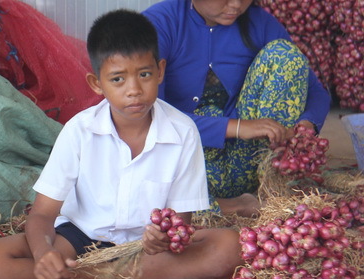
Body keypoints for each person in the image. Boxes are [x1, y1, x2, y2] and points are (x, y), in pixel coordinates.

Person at [0, 9, 242, 279]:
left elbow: (179, 226)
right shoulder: (80, 131)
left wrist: (160, 240)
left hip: (144, 255)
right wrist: (45, 254)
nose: (134, 90)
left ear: (160, 71)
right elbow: (43, 215)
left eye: (145, 74)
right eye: (118, 79)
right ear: (97, 84)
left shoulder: (183, 132)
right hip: (78, 241)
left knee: (230, 247)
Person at [142, 0, 331, 216]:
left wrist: (303, 129)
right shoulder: (159, 24)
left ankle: (272, 182)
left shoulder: (259, 21)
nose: (237, 5)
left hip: (247, 159)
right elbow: (150, 114)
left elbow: (316, 92)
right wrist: (238, 127)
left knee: (285, 55)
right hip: (190, 166)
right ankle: (229, 206)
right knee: (151, 206)